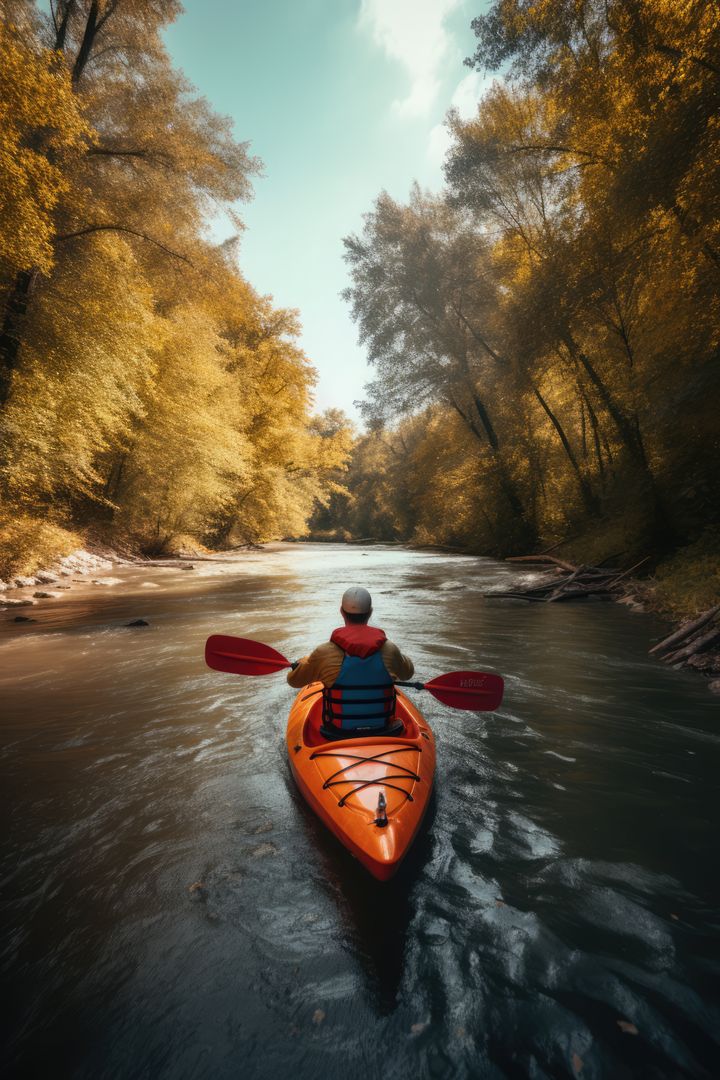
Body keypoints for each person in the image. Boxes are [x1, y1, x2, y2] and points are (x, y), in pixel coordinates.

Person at [287, 586, 414, 737]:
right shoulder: (390, 650)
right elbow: (408, 673)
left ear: (341, 612)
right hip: (384, 730)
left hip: (338, 733)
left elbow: (294, 681)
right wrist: (398, 657)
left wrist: (300, 665)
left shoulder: (324, 652)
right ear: (370, 612)